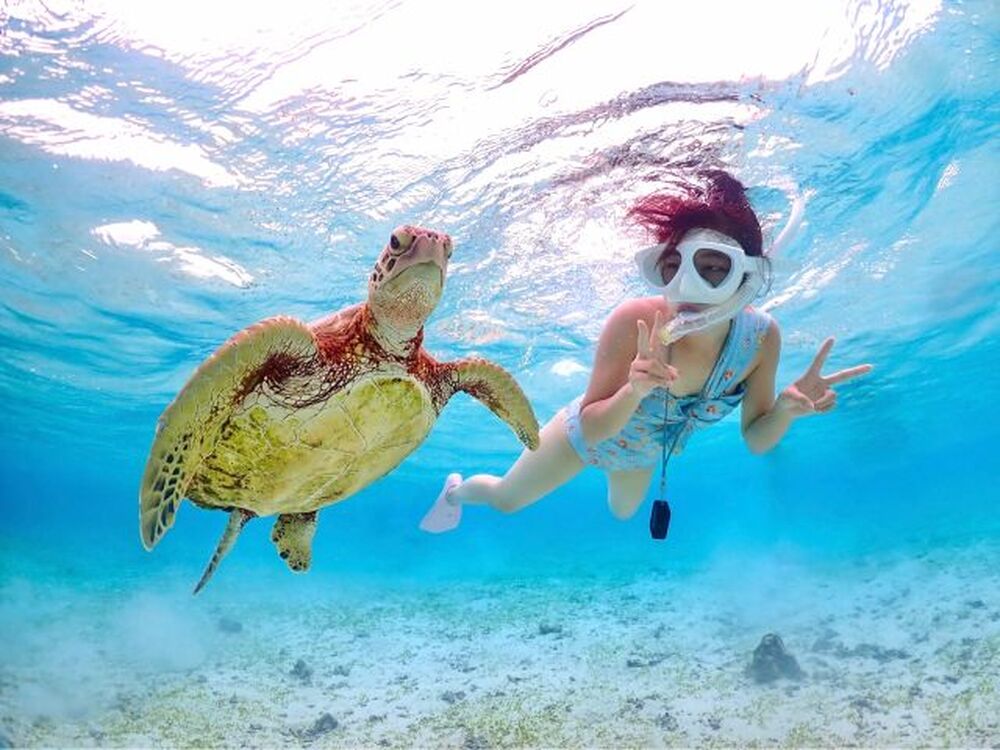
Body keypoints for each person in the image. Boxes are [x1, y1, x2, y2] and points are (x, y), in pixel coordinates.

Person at [419, 171, 872, 533]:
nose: (687, 285)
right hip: (583, 434)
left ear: (748, 277)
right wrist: (634, 390)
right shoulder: (635, 320)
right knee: (506, 500)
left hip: (642, 453)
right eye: (672, 266)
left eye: (714, 268)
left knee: (622, 514)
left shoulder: (760, 339)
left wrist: (786, 411)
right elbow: (594, 427)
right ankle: (455, 492)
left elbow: (756, 440)